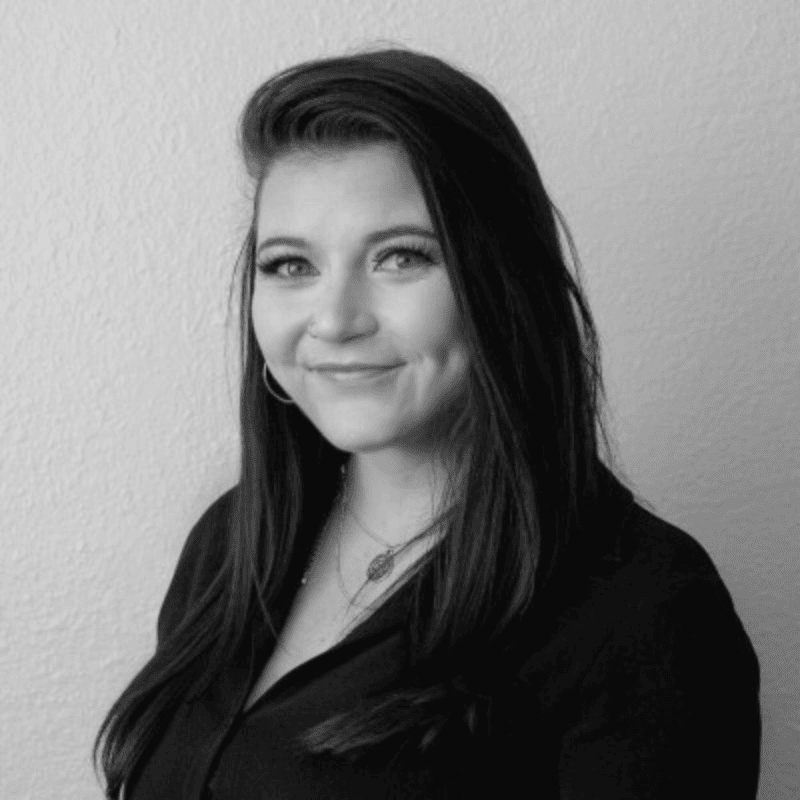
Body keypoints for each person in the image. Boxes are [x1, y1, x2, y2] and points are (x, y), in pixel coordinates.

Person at [93, 46, 761, 799]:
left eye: (401, 257)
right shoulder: (231, 542)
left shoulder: (644, 613)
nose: (335, 320)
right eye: (290, 265)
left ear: (500, 280)